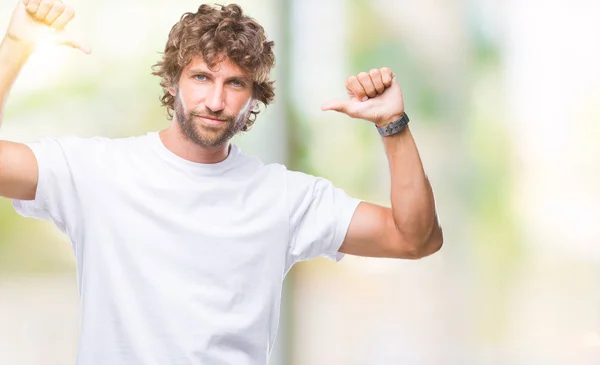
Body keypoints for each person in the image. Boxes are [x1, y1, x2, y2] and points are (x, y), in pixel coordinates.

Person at [0, 1, 443, 364]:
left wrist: (393, 123)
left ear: (254, 98)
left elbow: (416, 238)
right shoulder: (97, 172)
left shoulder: (284, 197)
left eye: (234, 83)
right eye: (201, 77)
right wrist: (16, 44)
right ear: (173, 82)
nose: (215, 100)